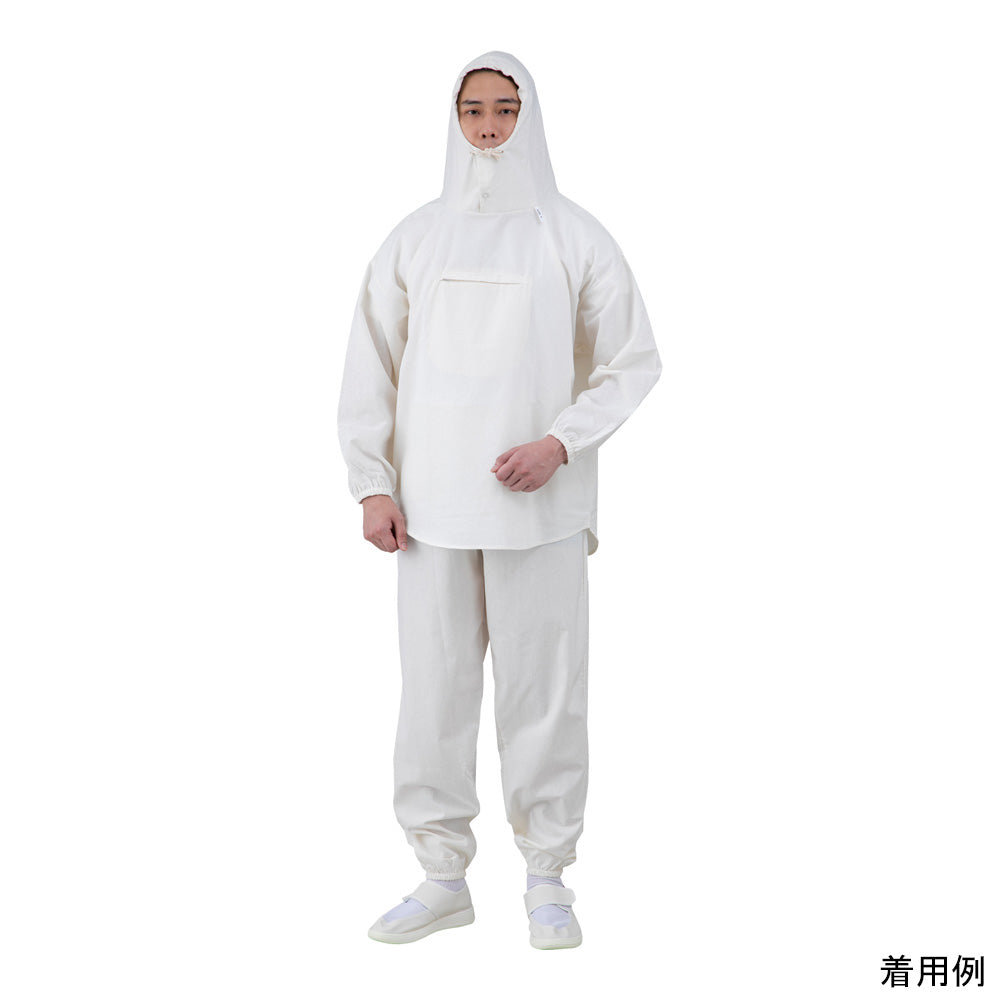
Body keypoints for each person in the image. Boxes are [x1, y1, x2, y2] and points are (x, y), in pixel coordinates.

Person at [338, 51, 660, 949]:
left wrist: (561, 442)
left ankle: (547, 879)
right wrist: (372, 483)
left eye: (505, 109)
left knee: (545, 693)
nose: (488, 126)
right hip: (430, 510)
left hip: (540, 508)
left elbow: (633, 359)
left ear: (530, 116)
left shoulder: (573, 235)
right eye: (474, 109)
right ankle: (442, 876)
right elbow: (372, 365)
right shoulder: (416, 237)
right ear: (454, 119)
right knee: (433, 692)